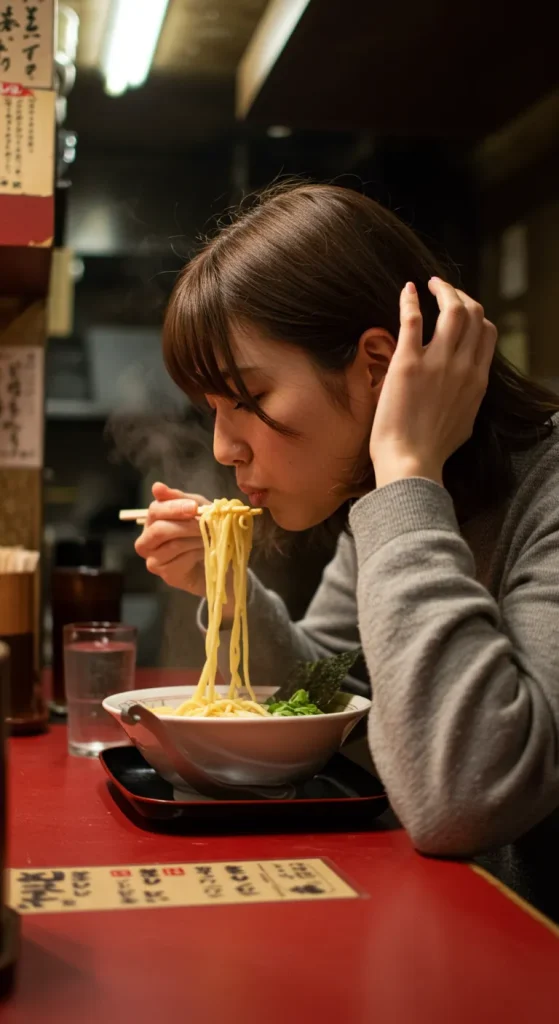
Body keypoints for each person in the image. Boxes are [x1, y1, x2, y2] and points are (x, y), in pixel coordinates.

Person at [135, 182, 559, 857]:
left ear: (378, 366)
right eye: (212, 408)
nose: (222, 448)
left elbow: (462, 799)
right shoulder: (391, 503)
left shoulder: (512, 496)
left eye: (246, 396)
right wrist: (227, 585)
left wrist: (407, 472)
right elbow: (327, 694)